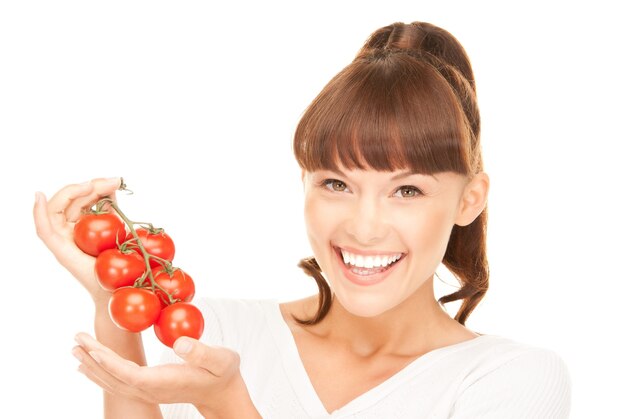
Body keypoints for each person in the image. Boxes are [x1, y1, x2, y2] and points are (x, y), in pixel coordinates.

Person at [33, 21, 571, 418]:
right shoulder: (212, 334)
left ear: (468, 200)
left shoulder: (512, 381)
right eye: (336, 184)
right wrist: (115, 300)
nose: (364, 226)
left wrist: (228, 404)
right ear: (304, 183)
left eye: (407, 190)